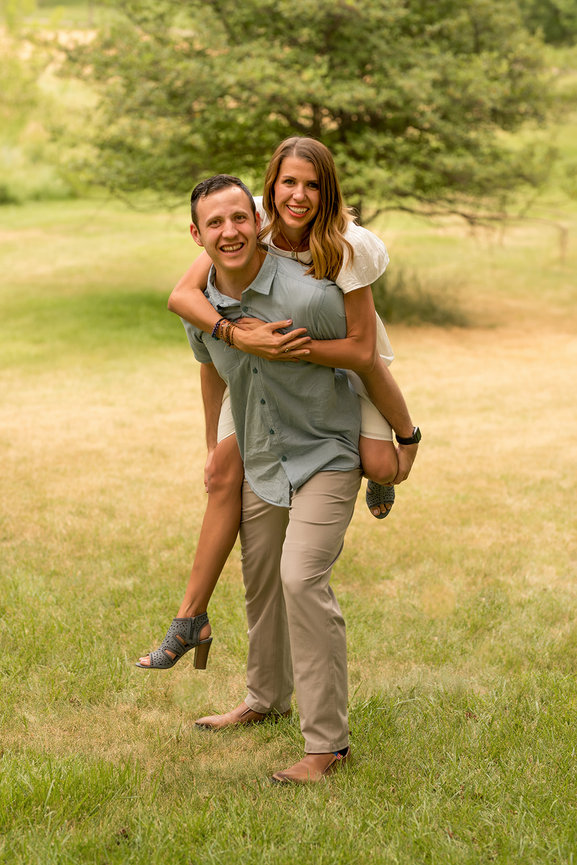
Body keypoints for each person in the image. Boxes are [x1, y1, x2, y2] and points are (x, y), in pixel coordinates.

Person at [136, 137, 420, 671]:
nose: (300, 195)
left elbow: (362, 353)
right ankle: (189, 618)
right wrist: (239, 338)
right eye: (289, 182)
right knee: (223, 475)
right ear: (272, 185)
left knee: (382, 462)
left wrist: (286, 347)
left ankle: (407, 441)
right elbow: (183, 297)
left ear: (328, 190)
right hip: (259, 361)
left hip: (342, 359)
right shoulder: (249, 222)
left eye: (312, 185)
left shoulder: (351, 245)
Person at [175, 173, 402, 782]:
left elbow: (366, 355)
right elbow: (211, 373)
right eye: (214, 225)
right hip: (262, 453)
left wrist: (400, 434)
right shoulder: (205, 306)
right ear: (197, 235)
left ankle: (327, 744)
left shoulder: (316, 288)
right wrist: (215, 448)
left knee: (301, 578)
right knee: (262, 577)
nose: (229, 232)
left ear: (257, 222)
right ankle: (264, 696)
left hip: (328, 450)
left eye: (238, 220)